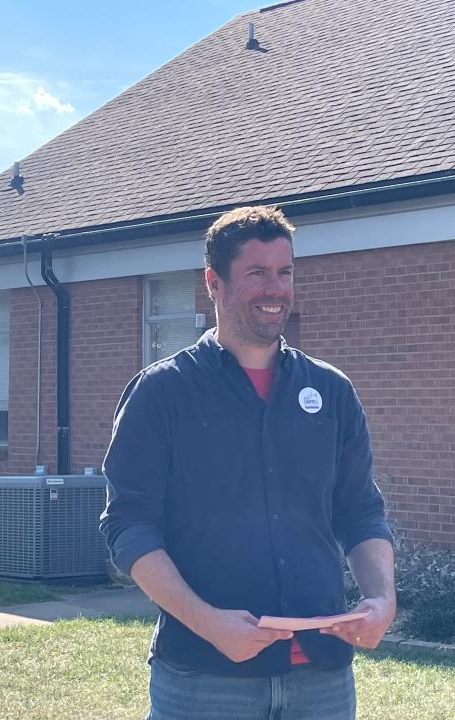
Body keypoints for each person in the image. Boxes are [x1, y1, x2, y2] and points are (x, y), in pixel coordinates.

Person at [100, 205, 396, 720]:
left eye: (284, 272)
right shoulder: (162, 393)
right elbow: (130, 528)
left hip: (322, 678)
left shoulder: (330, 391)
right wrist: (210, 623)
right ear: (214, 283)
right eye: (256, 273)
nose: (275, 289)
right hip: (205, 680)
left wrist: (381, 598)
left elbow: (360, 511)